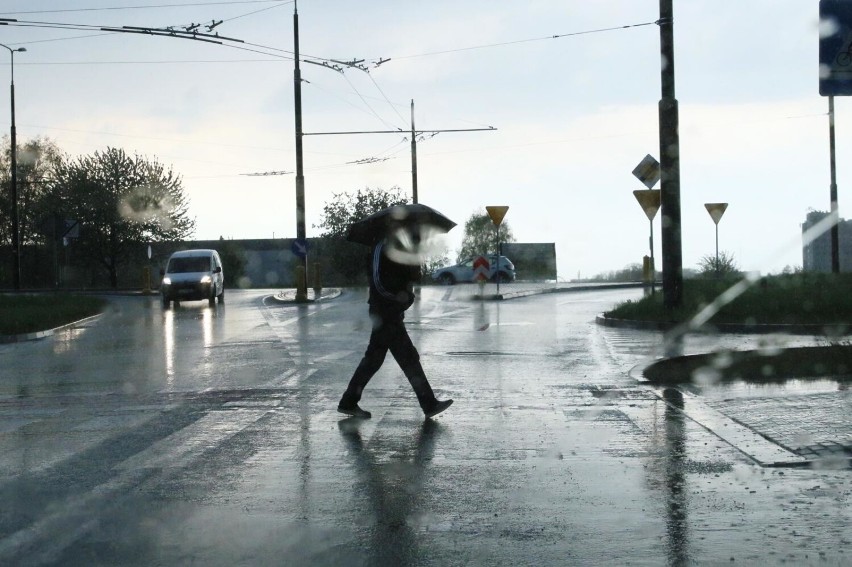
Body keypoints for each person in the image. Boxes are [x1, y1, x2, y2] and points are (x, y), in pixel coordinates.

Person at [338, 233, 453, 420]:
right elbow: (378, 282)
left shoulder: (395, 246)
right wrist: (397, 298)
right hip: (384, 313)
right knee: (408, 357)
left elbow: (402, 277)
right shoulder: (379, 247)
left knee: (374, 360)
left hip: (390, 312)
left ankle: (348, 401)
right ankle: (429, 403)